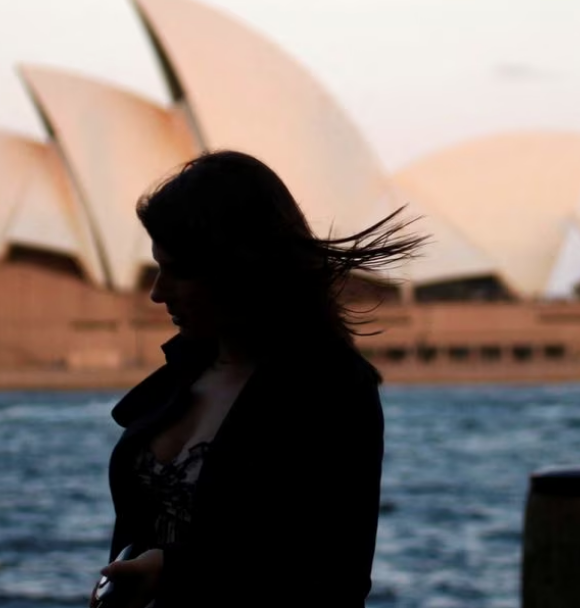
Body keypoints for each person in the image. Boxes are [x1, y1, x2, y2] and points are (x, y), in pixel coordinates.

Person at [93, 150, 426, 608]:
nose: (156, 292)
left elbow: (333, 575)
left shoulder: (331, 390)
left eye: (177, 271)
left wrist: (178, 574)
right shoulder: (180, 377)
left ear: (235, 268)